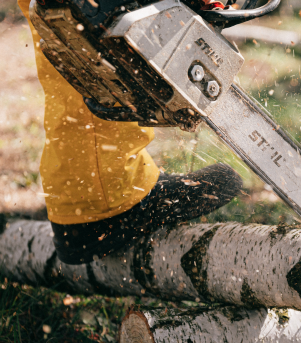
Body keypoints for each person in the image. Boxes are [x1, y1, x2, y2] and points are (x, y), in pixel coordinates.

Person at [17, 0, 242, 264]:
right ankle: (106, 196)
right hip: (103, 196)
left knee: (68, 15)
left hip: (79, 193)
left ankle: (84, 194)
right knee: (89, 15)